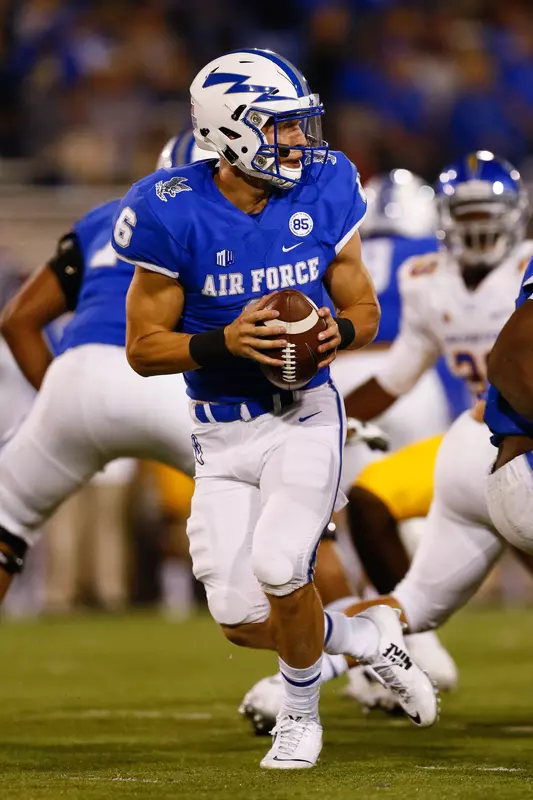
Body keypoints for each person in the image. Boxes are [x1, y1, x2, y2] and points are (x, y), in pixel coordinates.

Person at [118, 48, 438, 769]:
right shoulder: (169, 208)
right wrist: (224, 342)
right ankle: (358, 638)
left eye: (299, 125)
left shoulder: (326, 185)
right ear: (229, 129)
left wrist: (340, 332)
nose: (298, 141)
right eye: (279, 127)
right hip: (219, 434)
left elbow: (363, 305)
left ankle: (300, 717)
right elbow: (143, 349)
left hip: (303, 416)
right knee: (236, 618)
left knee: (278, 565)